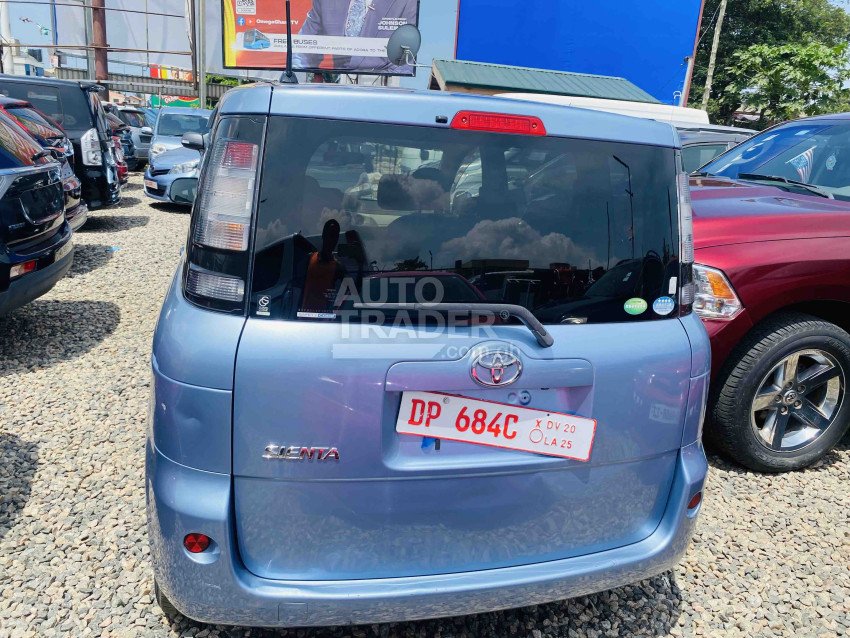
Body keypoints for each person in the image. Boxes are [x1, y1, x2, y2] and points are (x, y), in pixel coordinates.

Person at [293, 0, 418, 73]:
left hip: (381, 89)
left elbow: (405, 62)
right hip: (336, 88)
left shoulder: (406, 3)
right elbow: (301, 50)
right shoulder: (326, 2)